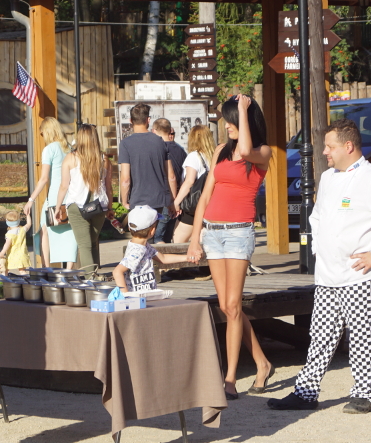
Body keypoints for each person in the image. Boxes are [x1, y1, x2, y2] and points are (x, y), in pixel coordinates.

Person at [268, 120, 371, 414]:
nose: (324, 152)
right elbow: (317, 216)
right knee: (320, 334)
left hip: (360, 274)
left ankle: (362, 394)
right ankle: (305, 393)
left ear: (348, 146)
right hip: (328, 273)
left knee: (361, 332)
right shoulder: (328, 178)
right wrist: (319, 249)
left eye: (329, 146)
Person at [186, 94, 273, 400]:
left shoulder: (261, 152)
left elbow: (246, 150)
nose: (226, 125)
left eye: (231, 119)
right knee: (227, 307)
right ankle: (262, 363)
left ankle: (230, 378)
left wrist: (244, 110)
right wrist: (194, 238)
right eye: (225, 119)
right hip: (213, 233)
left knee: (233, 306)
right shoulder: (221, 151)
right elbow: (205, 196)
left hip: (238, 234)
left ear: (245, 120)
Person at [54, 124, 114, 271]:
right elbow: (108, 187)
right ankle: (94, 274)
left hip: (77, 206)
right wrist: (110, 208)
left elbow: (64, 186)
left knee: (84, 245)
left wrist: (58, 207)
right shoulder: (104, 159)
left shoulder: (71, 158)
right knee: (92, 243)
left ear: (79, 138)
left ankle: (90, 277)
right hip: (99, 206)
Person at [118, 103, 177, 244]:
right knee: (156, 237)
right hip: (158, 199)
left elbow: (125, 179)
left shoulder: (126, 144)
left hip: (137, 198)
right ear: (148, 120)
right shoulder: (160, 141)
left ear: (131, 121)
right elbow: (171, 176)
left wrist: (124, 201)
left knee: (141, 240)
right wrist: (172, 200)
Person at [24, 117, 78, 267]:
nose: (42, 136)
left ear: (47, 132)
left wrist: (31, 199)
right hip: (71, 195)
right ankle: (69, 269)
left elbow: (44, 178)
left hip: (54, 196)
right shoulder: (69, 148)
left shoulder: (49, 149)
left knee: (44, 230)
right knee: (70, 231)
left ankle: (46, 268)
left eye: (42, 133)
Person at [113, 206, 190, 293]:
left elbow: (163, 258)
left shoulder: (144, 246)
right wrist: (125, 295)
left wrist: (187, 257)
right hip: (138, 297)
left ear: (129, 228)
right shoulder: (138, 251)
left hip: (146, 295)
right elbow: (117, 271)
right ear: (152, 231)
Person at [171, 123, 217, 243]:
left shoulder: (194, 156)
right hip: (210, 205)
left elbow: (189, 182)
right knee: (202, 242)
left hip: (193, 208)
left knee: (177, 242)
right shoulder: (214, 157)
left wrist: (176, 202)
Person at [152, 118, 187, 243]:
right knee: (168, 236)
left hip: (162, 197)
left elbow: (170, 176)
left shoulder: (157, 149)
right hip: (177, 197)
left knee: (156, 237)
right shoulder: (180, 150)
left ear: (154, 131)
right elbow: (184, 176)